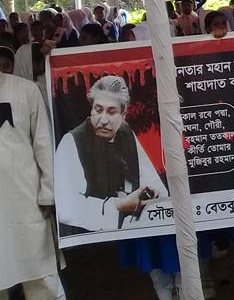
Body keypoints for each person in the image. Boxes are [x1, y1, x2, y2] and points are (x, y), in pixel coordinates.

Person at [54, 74, 168, 232]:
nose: (103, 120)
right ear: (91, 109)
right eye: (98, 110)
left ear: (123, 115)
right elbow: (66, 208)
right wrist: (118, 206)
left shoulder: (126, 133)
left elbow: (155, 185)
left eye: (111, 112)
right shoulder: (71, 142)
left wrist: (154, 194)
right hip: (90, 238)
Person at [0, 47, 66, 300]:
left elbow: (43, 143)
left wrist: (48, 192)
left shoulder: (25, 90)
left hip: (26, 199)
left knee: (41, 274)